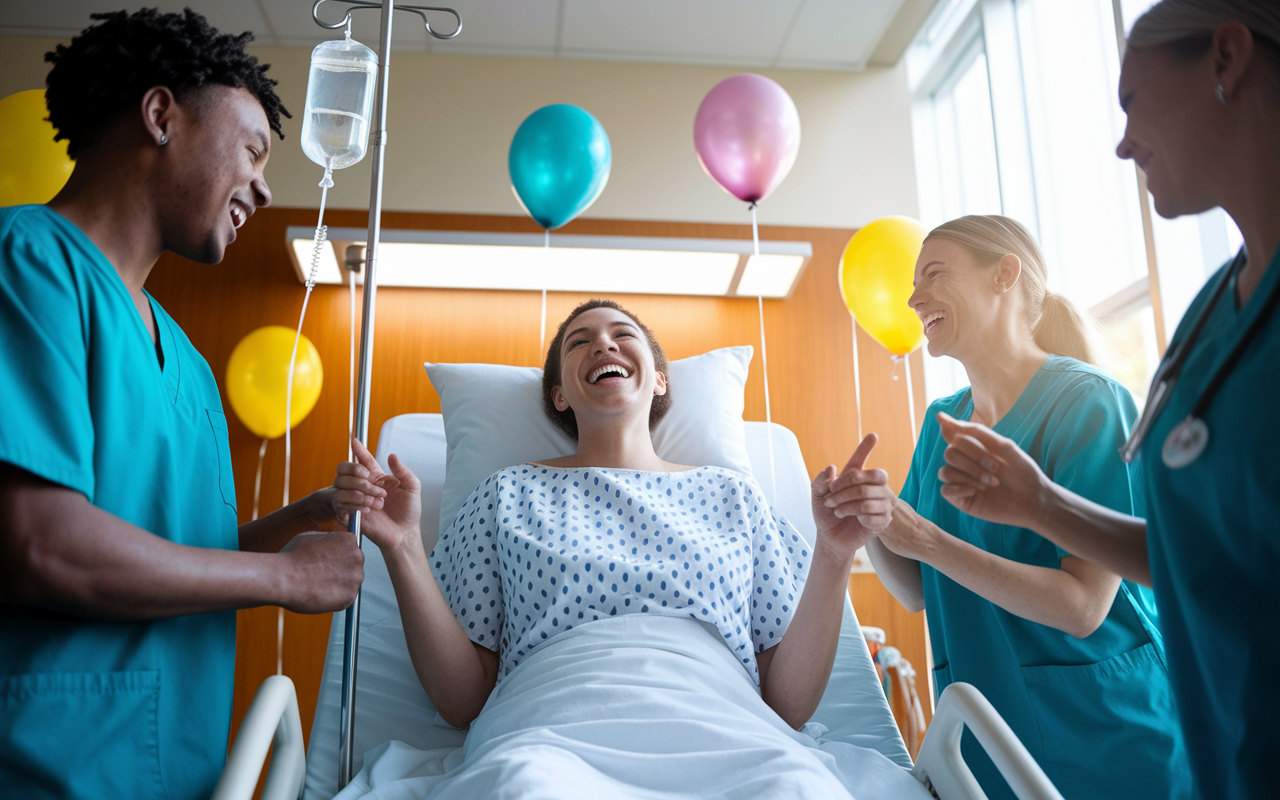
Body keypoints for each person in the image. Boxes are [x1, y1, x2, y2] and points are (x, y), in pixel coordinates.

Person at [328, 299, 928, 799]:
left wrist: (832, 554)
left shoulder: (731, 496)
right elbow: (462, 702)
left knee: (794, 788)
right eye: (580, 342)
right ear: (560, 394)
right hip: (546, 733)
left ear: (661, 379)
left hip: (731, 731)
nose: (604, 345)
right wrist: (403, 546)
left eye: (622, 334)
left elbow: (789, 705)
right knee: (523, 787)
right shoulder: (506, 494)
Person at [0, 11, 365, 799]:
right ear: (160, 115)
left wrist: (291, 525)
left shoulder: (189, 362)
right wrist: (286, 582)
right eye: (252, 150)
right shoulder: (27, 266)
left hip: (182, 767)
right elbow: (40, 542)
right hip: (50, 764)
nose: (265, 187)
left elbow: (168, 545)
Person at [931, 3, 1280, 798]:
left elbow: (1097, 602)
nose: (1122, 141)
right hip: (1227, 749)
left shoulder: (1084, 398)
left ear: (1226, 57)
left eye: (1131, 101)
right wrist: (1042, 504)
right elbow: (1194, 553)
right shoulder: (1206, 323)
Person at [862, 216, 1189, 799]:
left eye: (933, 274)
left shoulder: (1087, 402)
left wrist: (929, 540)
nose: (913, 298)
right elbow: (916, 589)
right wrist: (869, 523)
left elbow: (1084, 606)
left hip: (1107, 734)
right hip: (993, 736)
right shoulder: (943, 422)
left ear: (1004, 275)